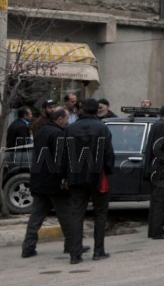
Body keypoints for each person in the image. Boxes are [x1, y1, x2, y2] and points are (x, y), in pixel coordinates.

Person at [21, 108, 79, 259]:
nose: (68, 121)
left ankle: (28, 247)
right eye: (66, 118)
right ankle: (72, 245)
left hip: (39, 180)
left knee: (36, 217)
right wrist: (65, 178)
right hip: (54, 183)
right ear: (59, 119)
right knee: (66, 215)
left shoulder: (42, 131)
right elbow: (61, 159)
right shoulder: (58, 134)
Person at [65, 99, 115, 263]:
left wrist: (65, 175)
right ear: (96, 110)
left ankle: (75, 254)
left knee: (76, 214)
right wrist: (107, 170)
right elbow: (109, 155)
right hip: (98, 176)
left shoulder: (71, 128)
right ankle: (98, 251)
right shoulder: (102, 128)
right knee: (100, 214)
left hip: (76, 177)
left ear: (82, 110)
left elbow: (64, 155)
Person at [144, 103, 164, 240]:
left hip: (154, 168)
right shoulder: (162, 126)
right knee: (161, 201)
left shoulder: (157, 125)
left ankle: (154, 230)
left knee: (156, 200)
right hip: (159, 169)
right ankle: (158, 231)